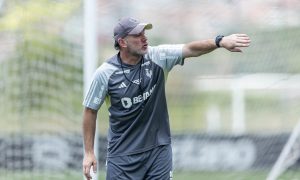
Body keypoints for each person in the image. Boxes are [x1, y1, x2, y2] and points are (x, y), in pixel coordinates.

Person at [82, 17, 251, 180]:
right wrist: (89, 152)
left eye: (144, 33)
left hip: (158, 151)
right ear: (122, 42)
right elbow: (90, 110)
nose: (144, 38)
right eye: (137, 35)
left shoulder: (158, 56)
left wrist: (219, 41)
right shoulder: (105, 74)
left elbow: (190, 49)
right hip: (122, 156)